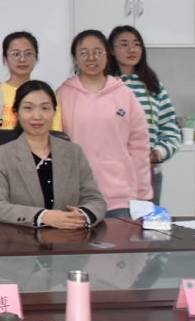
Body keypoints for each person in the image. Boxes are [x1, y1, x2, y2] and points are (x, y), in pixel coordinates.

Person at [0, 81, 106, 228]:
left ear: (54, 112)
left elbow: (95, 200)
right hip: (21, 237)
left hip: (70, 237)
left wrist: (81, 215)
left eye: (45, 108)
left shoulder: (73, 152)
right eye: (28, 108)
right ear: (16, 113)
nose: (37, 116)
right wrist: (43, 216)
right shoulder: (0, 156)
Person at [57, 29, 151, 215]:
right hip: (76, 196)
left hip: (120, 196)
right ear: (75, 58)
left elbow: (139, 146)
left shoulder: (124, 94)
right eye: (84, 52)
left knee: (121, 234)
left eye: (98, 52)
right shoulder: (62, 95)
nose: (91, 58)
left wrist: (142, 195)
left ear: (107, 55)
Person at [107, 25, 182, 202]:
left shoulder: (153, 84)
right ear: (111, 50)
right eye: (124, 45)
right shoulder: (106, 85)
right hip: (112, 173)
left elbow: (170, 127)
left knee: (148, 218)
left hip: (148, 171)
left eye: (136, 44)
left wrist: (159, 152)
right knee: (117, 218)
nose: (131, 49)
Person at [0, 31, 63, 131]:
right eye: (16, 54)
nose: (22, 59)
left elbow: (56, 133)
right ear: (5, 58)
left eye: (28, 53)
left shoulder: (46, 93)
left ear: (36, 57)